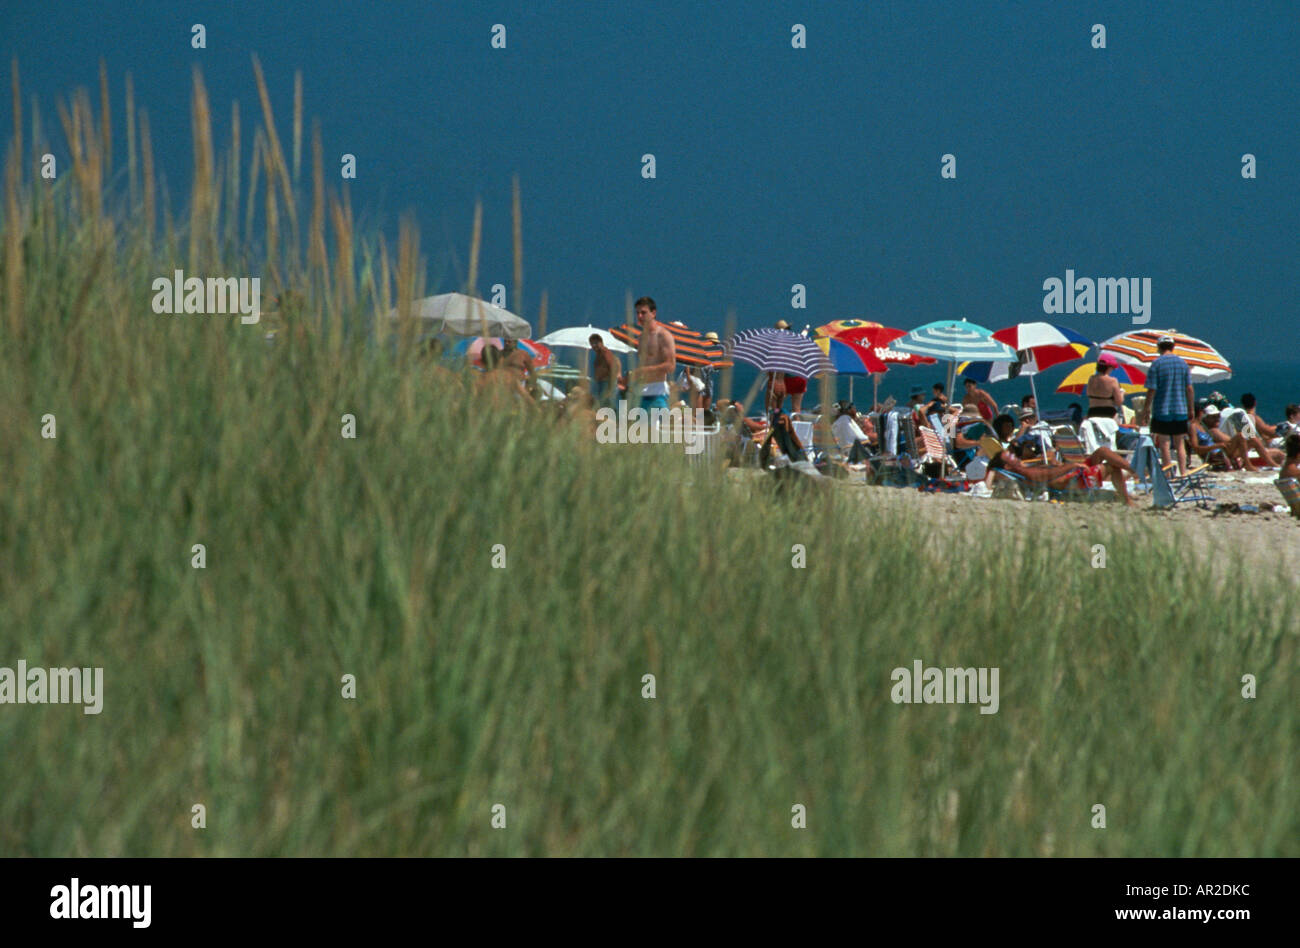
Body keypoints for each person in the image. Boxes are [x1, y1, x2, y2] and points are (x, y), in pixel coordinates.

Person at [985, 413, 1135, 505]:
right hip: (1072, 480)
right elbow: (1047, 476)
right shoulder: (1025, 472)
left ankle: (1132, 471)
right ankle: (1128, 496)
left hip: (1071, 474)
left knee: (1102, 451)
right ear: (1007, 467)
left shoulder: (1023, 468)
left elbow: (1048, 471)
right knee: (1112, 466)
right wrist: (1071, 466)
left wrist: (1053, 463)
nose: (1013, 454)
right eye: (1009, 456)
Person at [1137, 335, 1194, 476]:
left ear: (1159, 348)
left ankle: (1169, 475)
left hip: (1162, 409)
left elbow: (1152, 389)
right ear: (1173, 347)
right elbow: (1189, 388)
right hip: (1180, 408)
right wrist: (1191, 408)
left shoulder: (1157, 364)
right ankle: (1183, 473)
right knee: (1180, 444)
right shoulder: (1183, 364)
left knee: (1164, 444)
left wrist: (1146, 409)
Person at [629, 297, 676, 412]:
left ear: (653, 313)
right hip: (640, 392)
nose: (639, 316)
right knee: (638, 429)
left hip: (657, 392)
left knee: (655, 428)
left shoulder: (663, 335)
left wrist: (644, 370)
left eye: (643, 313)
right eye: (637, 313)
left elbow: (670, 366)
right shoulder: (641, 338)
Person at [1086, 353, 1125, 418]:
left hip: (1092, 411)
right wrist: (1122, 393)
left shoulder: (1091, 379)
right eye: (1113, 368)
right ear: (1109, 367)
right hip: (1108, 413)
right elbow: (1119, 402)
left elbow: (1088, 393)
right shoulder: (1113, 381)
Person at [590, 333, 622, 407]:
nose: (594, 345)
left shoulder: (605, 352)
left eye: (596, 343)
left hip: (607, 383)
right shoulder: (599, 354)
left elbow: (613, 366)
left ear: (601, 343)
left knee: (608, 405)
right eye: (592, 344)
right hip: (601, 383)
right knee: (603, 405)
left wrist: (611, 385)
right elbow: (617, 360)